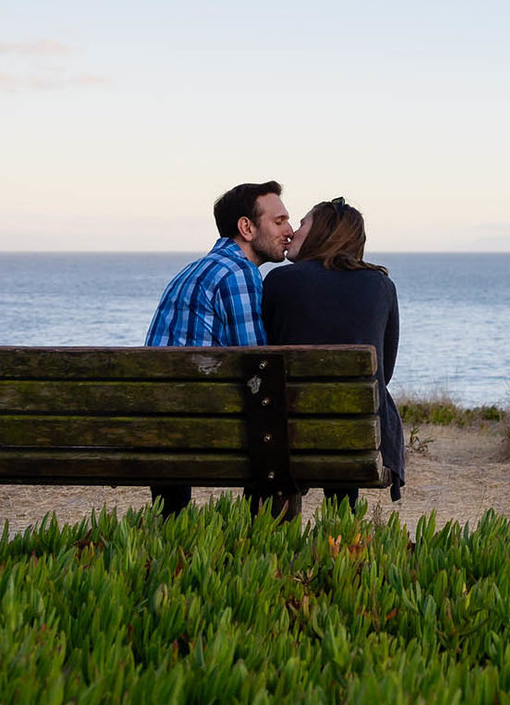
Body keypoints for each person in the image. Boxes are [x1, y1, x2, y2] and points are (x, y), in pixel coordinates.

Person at [143, 179, 291, 512]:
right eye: (279, 221)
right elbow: (258, 366)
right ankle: (264, 541)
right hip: (198, 431)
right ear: (246, 228)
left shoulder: (192, 270)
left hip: (156, 428)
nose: (290, 231)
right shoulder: (239, 274)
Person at [262, 196, 406, 506]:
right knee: (348, 409)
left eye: (301, 224)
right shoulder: (380, 286)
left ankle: (273, 536)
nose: (292, 232)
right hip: (356, 436)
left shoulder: (278, 282)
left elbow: (266, 355)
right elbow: (385, 371)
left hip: (286, 436)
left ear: (321, 232)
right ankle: (340, 532)